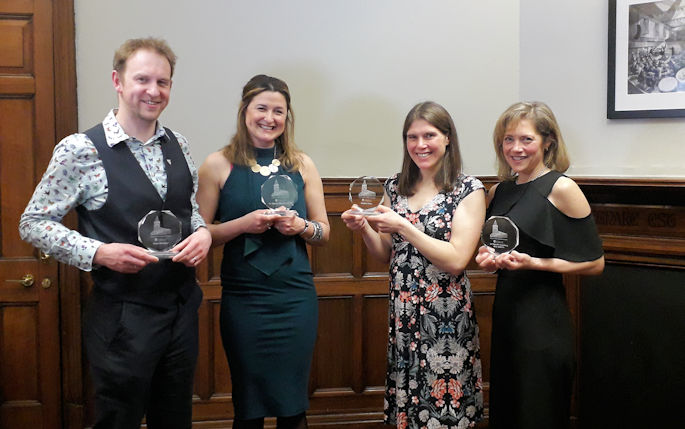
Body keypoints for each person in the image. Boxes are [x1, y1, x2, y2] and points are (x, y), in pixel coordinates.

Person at [19, 37, 211, 428]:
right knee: (118, 421)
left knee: (175, 419)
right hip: (123, 318)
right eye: (142, 79)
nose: (153, 91)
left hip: (180, 308)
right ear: (118, 81)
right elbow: (33, 223)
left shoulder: (181, 146)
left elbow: (190, 211)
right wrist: (98, 253)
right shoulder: (80, 150)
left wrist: (204, 233)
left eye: (163, 82)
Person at [341, 101, 486, 428]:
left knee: (445, 405)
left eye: (429, 135)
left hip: (445, 316)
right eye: (412, 137)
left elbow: (458, 259)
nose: (420, 145)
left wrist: (405, 226)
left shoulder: (468, 189)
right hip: (403, 310)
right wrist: (364, 228)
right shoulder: (395, 186)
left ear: (447, 138)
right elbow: (388, 254)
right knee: (410, 400)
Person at [196, 74, 329, 429]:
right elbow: (200, 233)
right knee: (249, 407)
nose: (269, 118)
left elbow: (323, 231)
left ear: (287, 117)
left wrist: (300, 227)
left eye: (278, 111)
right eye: (261, 108)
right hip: (245, 300)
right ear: (244, 111)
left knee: (293, 407)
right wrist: (243, 224)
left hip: (295, 298)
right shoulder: (216, 165)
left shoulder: (303, 164)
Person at [475, 101, 604, 429]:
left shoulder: (562, 188)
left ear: (547, 141)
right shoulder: (499, 191)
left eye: (526, 139)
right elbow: (495, 247)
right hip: (506, 316)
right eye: (508, 140)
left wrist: (535, 263)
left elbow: (594, 263)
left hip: (543, 322)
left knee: (538, 412)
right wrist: (488, 260)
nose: (515, 148)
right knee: (508, 408)